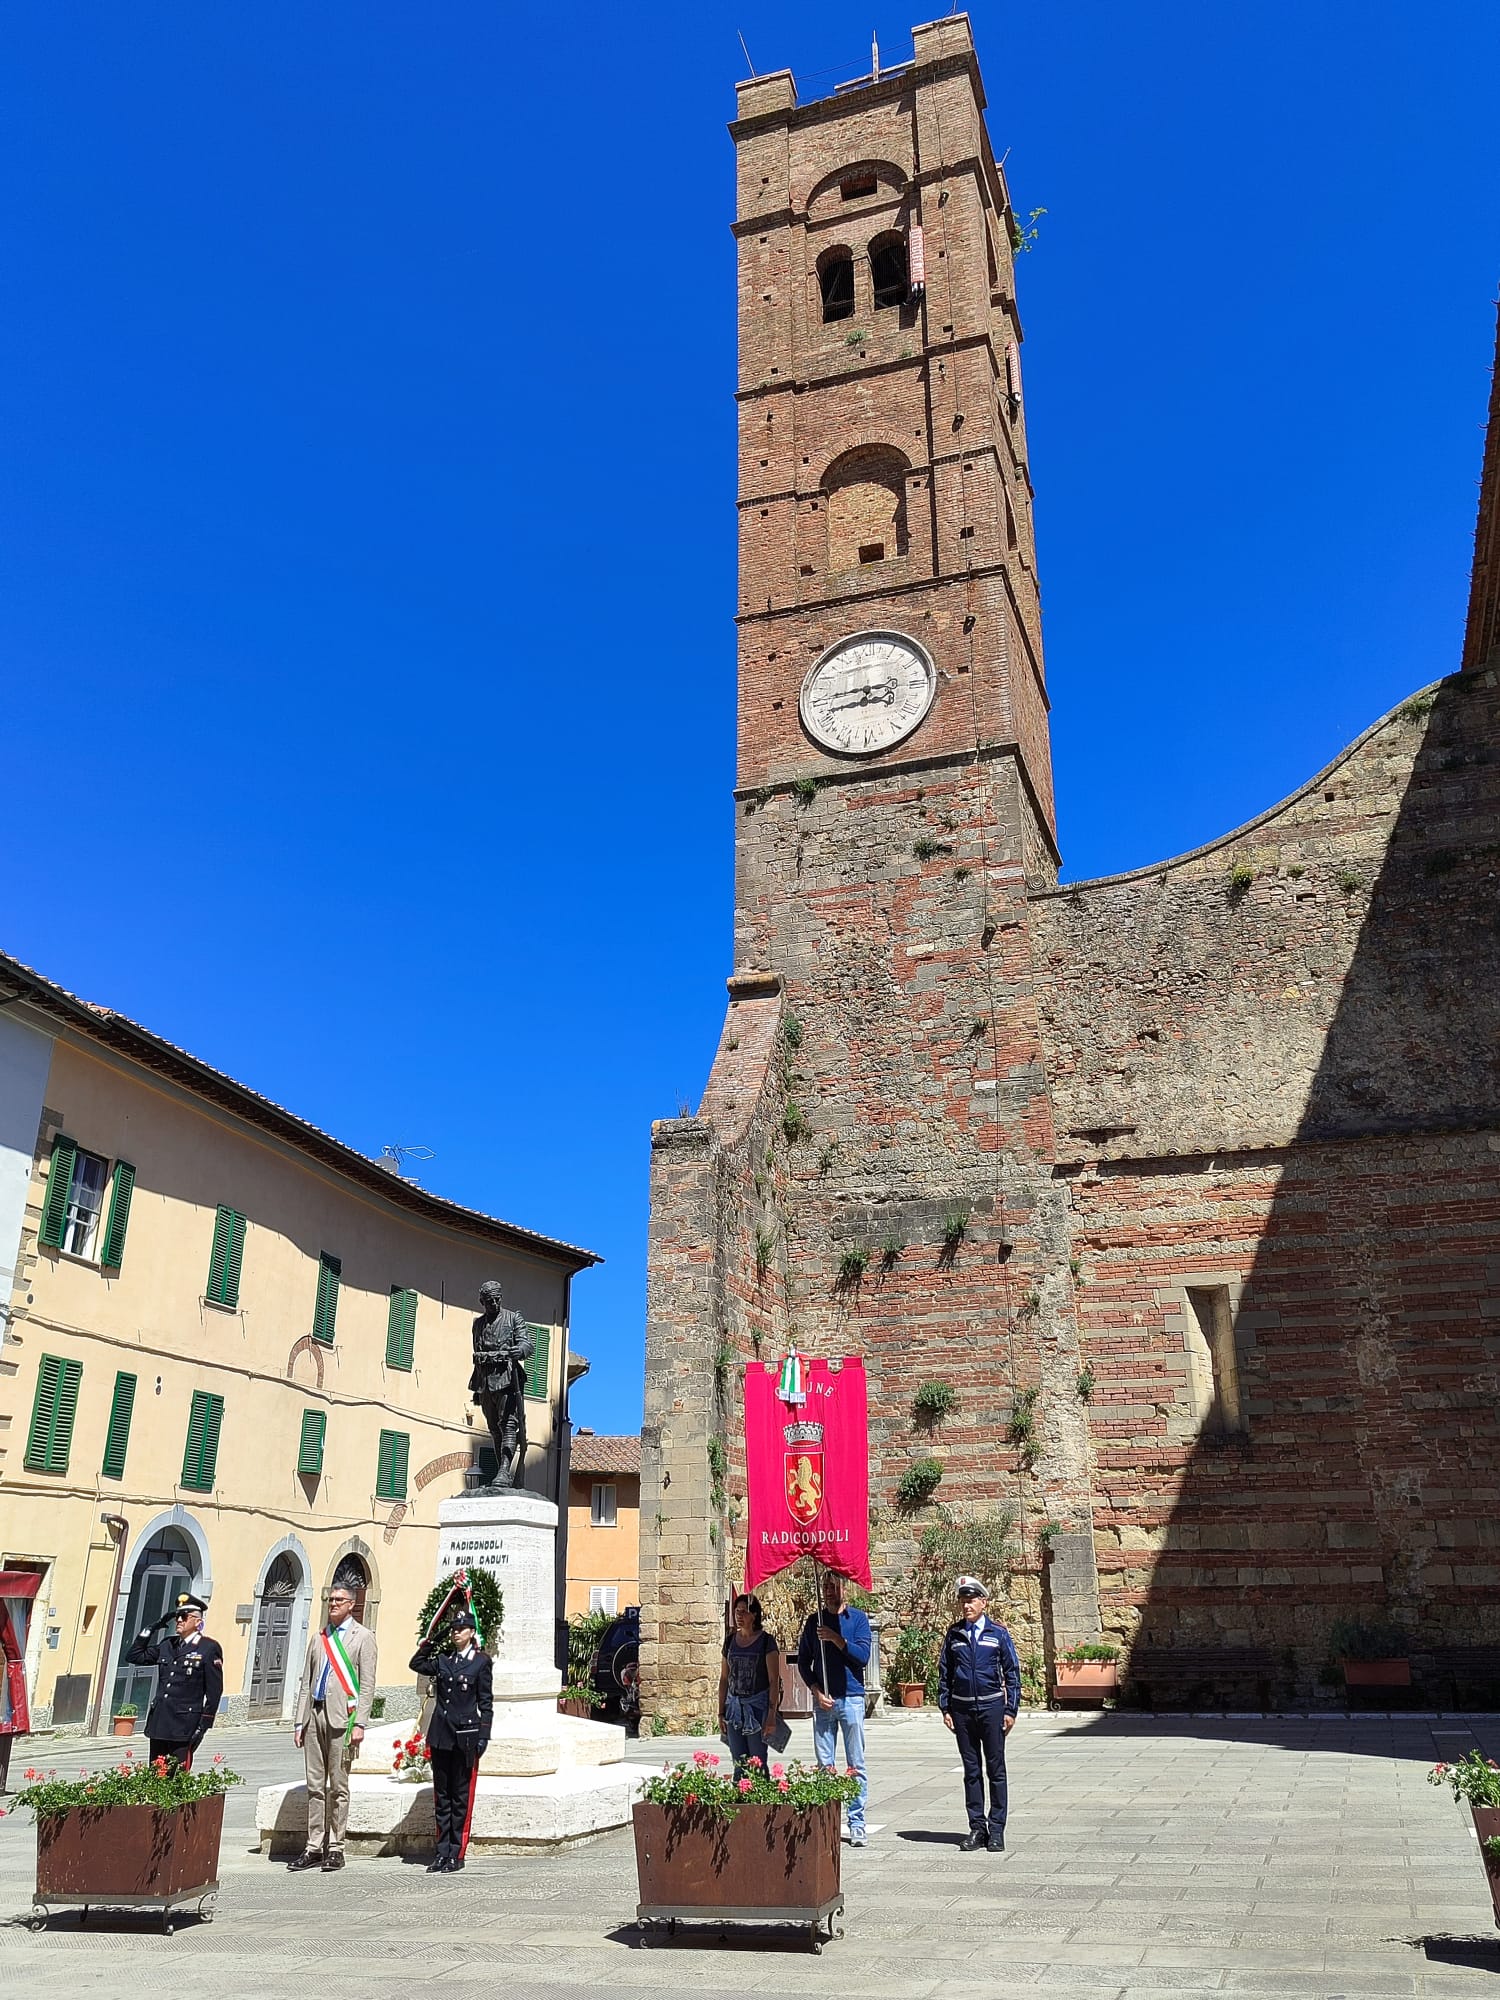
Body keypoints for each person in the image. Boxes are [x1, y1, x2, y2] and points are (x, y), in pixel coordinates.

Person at [288, 1581, 378, 1873]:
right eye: (331, 1599)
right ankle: (313, 1846)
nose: (333, 1603)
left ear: (352, 1604)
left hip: (342, 1719)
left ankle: (336, 1847)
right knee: (315, 1786)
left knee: (338, 1786)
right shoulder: (319, 1637)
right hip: (314, 1715)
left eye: (339, 1599)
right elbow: (306, 1681)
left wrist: (360, 1723)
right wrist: (299, 1721)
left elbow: (367, 1684)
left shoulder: (363, 1637)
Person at [937, 1575, 1020, 1852]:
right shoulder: (954, 1634)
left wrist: (1011, 1709)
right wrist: (945, 1707)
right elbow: (945, 1672)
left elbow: (1012, 1672)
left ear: (983, 1602)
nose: (966, 1606)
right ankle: (977, 1828)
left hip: (991, 1708)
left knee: (996, 1770)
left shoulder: (998, 1633)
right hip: (962, 1711)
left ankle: (996, 1830)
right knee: (971, 1772)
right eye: (963, 1601)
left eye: (971, 1601)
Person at [409, 1610, 493, 1873]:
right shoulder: (444, 1660)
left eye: (461, 1628)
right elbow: (416, 1663)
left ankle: (457, 1852)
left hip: (465, 1737)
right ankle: (442, 1851)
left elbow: (486, 1703)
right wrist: (436, 1637)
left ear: (471, 1632)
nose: (456, 1633)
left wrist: (483, 1736)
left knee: (460, 1797)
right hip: (441, 1736)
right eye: (453, 1629)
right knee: (442, 1796)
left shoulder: (481, 1662)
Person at [796, 1570, 871, 1848]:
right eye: (825, 1586)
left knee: (855, 1764)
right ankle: (827, 1822)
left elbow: (862, 1657)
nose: (828, 1591)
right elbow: (804, 1663)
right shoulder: (813, 1622)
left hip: (851, 1698)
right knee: (824, 1765)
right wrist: (816, 1691)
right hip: (824, 1702)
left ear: (844, 1590)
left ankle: (857, 1823)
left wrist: (836, 1638)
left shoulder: (858, 1619)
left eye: (834, 1586)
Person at [125, 1592, 223, 1769]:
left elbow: (214, 1692)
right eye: (177, 1616)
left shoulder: (208, 1648)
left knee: (177, 1775)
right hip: (160, 1722)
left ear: (197, 1622)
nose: (178, 1620)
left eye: (184, 1616)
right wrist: (153, 1627)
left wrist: (203, 1725)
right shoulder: (167, 1645)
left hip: (184, 1725)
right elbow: (134, 1656)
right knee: (155, 1774)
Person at [718, 1593, 780, 1773]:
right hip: (734, 1710)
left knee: (757, 1761)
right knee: (739, 1762)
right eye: (737, 1611)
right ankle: (740, 1790)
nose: (739, 1615)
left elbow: (774, 1680)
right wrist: (720, 1712)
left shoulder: (766, 1642)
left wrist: (771, 1714)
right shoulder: (730, 1641)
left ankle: (760, 1792)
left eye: (744, 1612)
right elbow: (724, 1679)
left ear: (754, 1615)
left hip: (757, 1709)